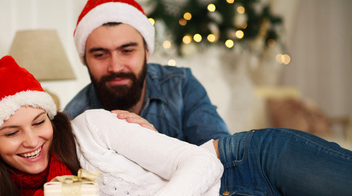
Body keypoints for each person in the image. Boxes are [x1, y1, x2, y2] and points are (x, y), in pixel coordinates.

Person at [0, 56, 352, 196]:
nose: (31, 140)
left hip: (252, 167)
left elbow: (201, 161)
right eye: (9, 133)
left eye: (39, 121)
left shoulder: (90, 127)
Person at [64, 0, 230, 146]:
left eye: (127, 50)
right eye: (100, 55)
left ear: (146, 51)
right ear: (85, 59)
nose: (115, 67)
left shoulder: (181, 86)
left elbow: (224, 158)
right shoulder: (73, 118)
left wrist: (159, 147)